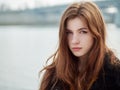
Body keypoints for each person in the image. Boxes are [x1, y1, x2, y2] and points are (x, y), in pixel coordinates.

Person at [39, 1, 120, 90]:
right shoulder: (53, 75)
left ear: (97, 33)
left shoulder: (115, 74)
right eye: (69, 32)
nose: (74, 41)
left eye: (83, 32)